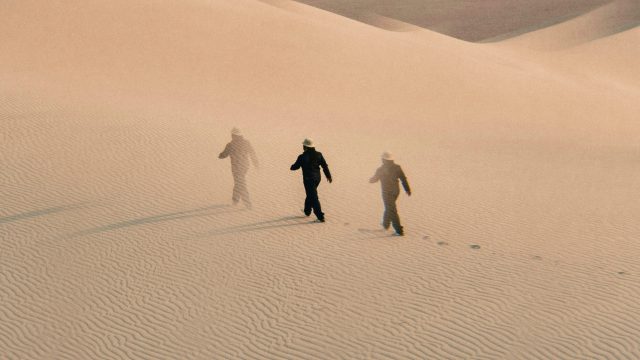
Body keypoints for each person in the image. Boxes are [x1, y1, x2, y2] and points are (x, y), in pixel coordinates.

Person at [290, 138, 332, 222]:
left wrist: (292, 166)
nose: (302, 147)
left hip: (308, 179)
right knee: (310, 194)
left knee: (313, 197)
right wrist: (328, 176)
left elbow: (295, 167)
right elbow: (324, 166)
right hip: (317, 179)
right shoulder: (319, 154)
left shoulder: (302, 157)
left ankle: (320, 216)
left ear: (305, 146)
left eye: (303, 145)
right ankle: (307, 211)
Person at [369, 152, 411, 236]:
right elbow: (403, 178)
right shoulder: (397, 168)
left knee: (391, 209)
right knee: (389, 207)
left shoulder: (380, 169)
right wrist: (407, 189)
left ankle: (399, 230)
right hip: (396, 191)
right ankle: (385, 224)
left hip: (387, 192)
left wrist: (371, 180)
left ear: (384, 160)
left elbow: (374, 179)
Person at [219, 127, 259, 208]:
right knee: (238, 182)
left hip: (236, 167)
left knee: (240, 183)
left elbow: (224, 155)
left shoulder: (230, 145)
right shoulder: (246, 143)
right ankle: (235, 201)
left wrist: (220, 155)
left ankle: (247, 203)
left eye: (232, 134)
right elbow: (252, 153)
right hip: (245, 166)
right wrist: (256, 163)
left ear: (233, 135)